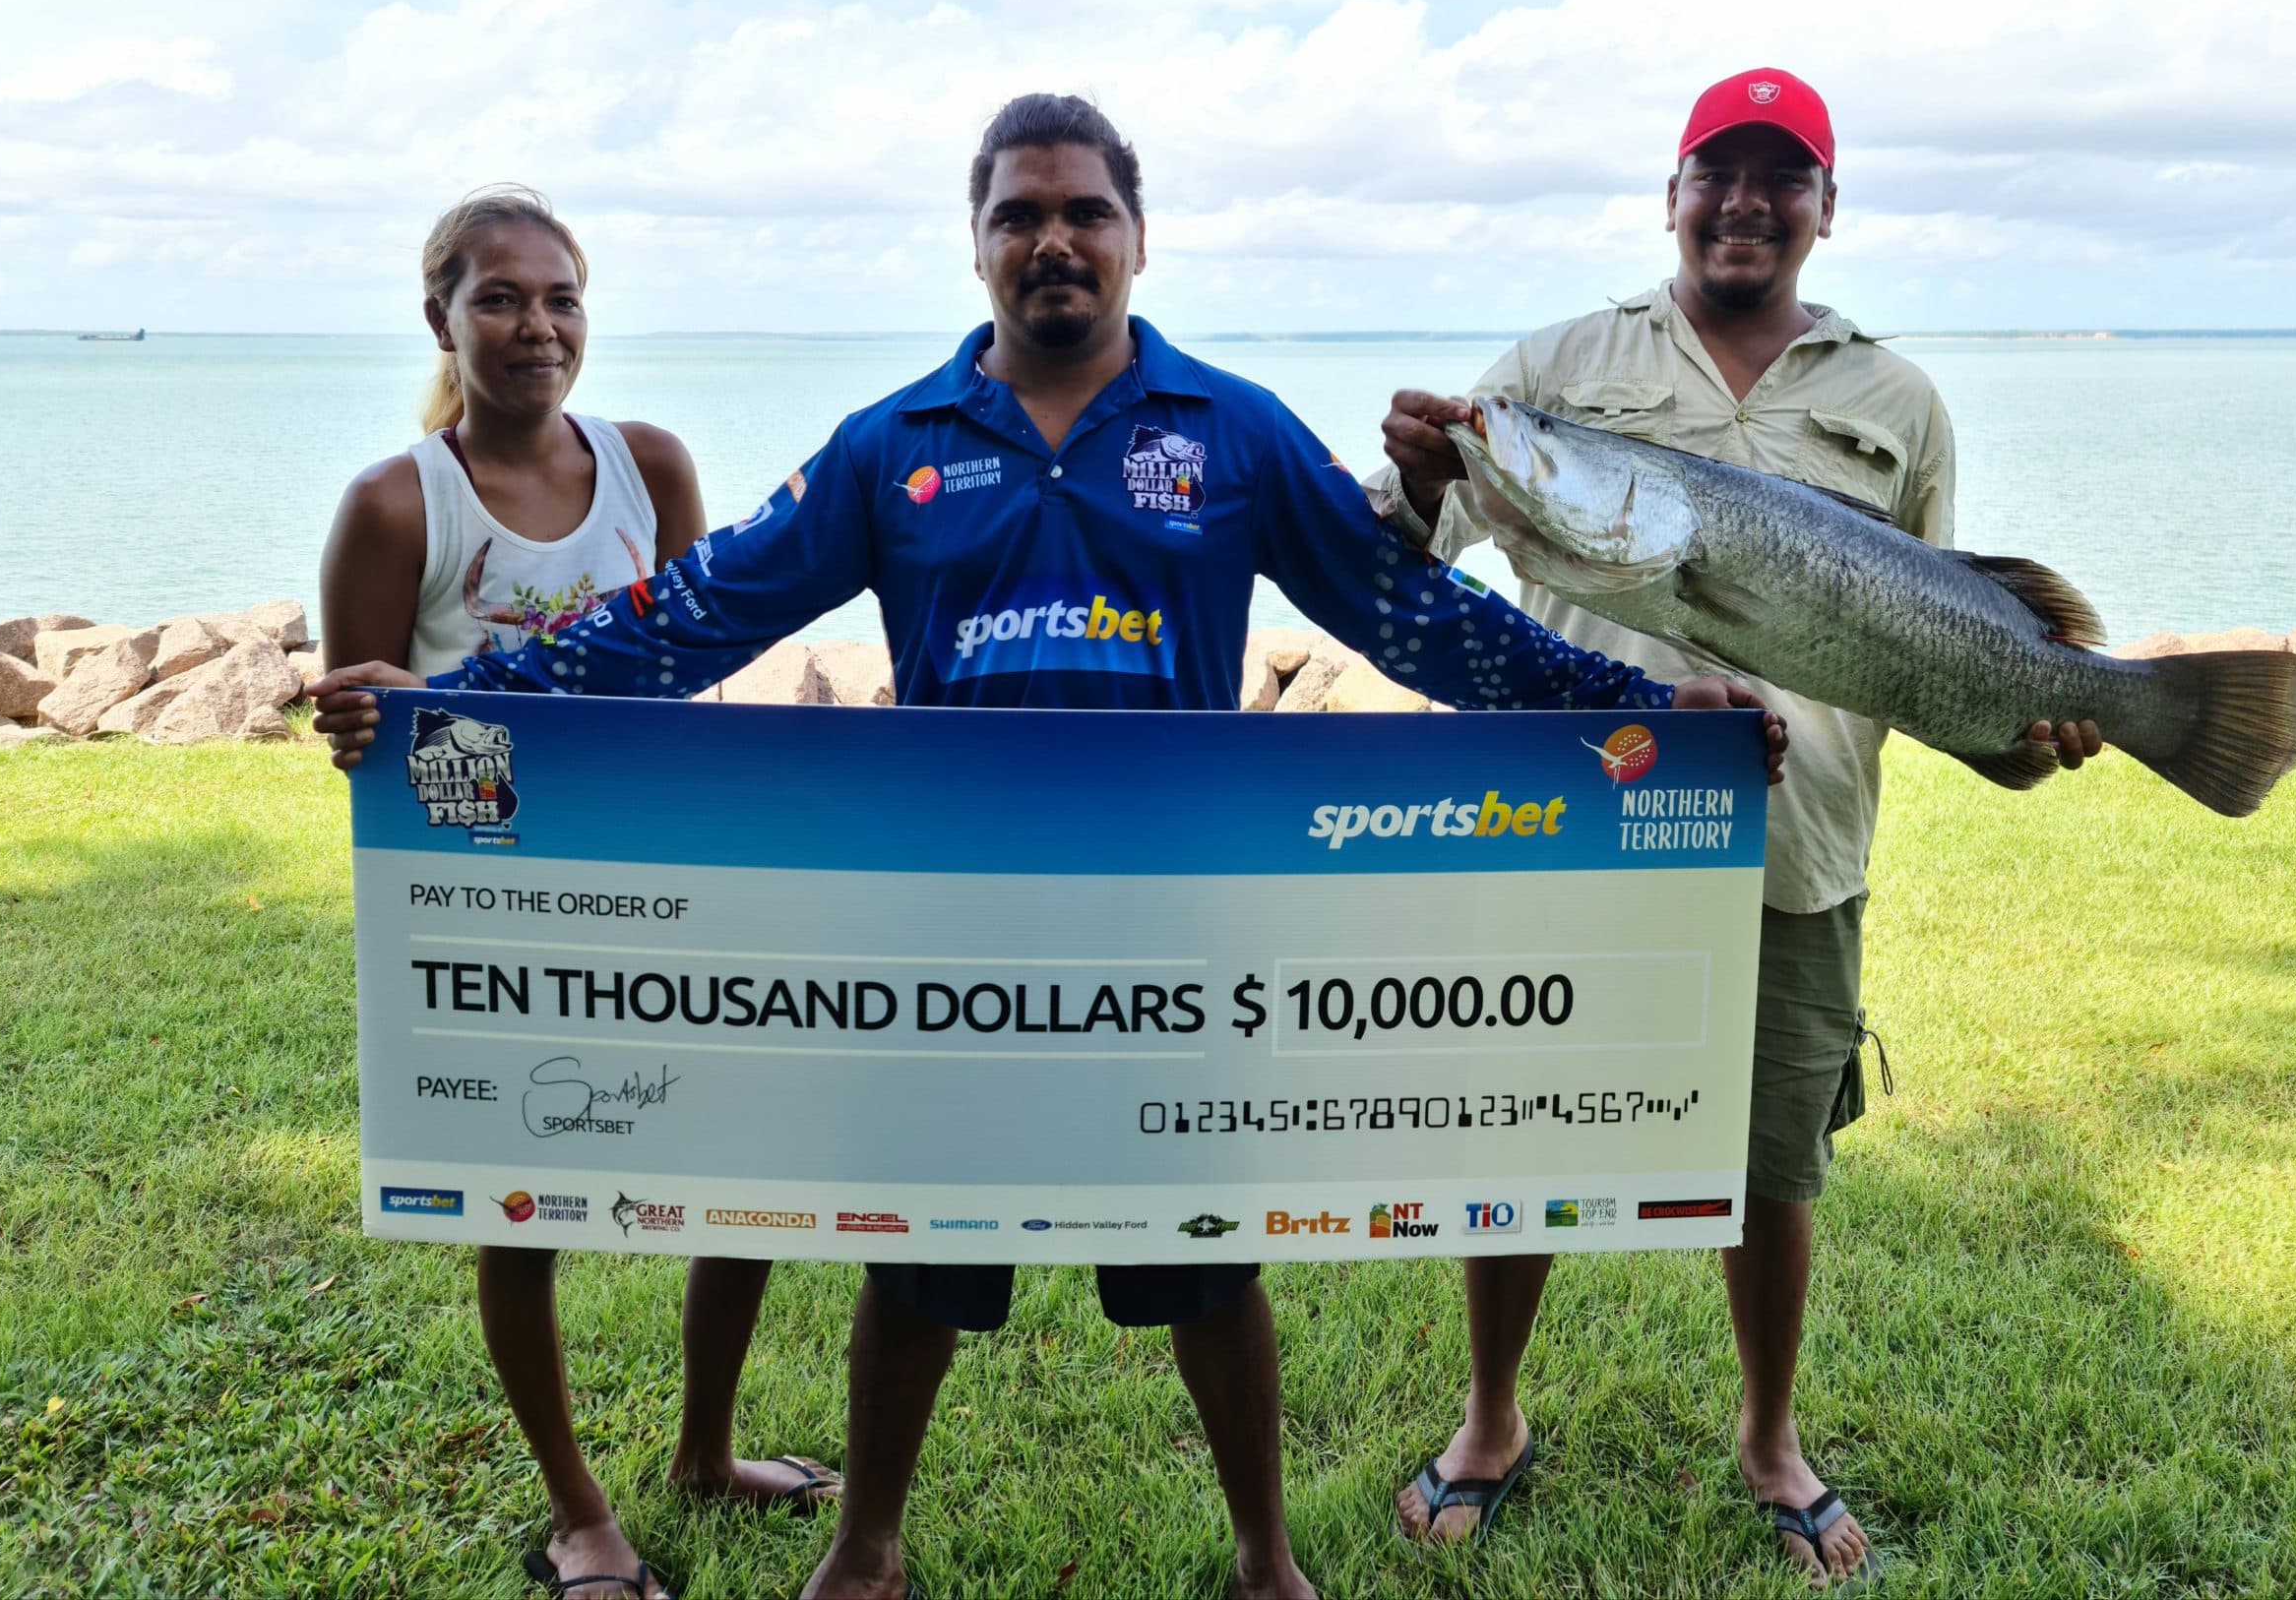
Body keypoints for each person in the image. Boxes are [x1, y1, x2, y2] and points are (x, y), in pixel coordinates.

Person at [316, 95, 1785, 1600]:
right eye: (1018, 215)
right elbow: (693, 618)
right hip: (950, 944)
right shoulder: (894, 446)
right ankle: (866, 1548)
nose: (1054, 240)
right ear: (977, 250)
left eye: (1085, 211)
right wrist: (454, 701)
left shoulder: (1229, 430)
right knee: (920, 1256)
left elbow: (1414, 618)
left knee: (1207, 1256)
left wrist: (1643, 710)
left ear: (1137, 239)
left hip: (1181, 943)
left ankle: (1266, 1560)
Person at [1368, 69, 2099, 1589]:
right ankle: (1490, 1416)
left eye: (1784, 178)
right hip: (1564, 824)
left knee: (1776, 1166)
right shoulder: (1559, 365)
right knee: (1523, 1130)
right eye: (1720, 171)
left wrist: (2033, 724)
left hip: (1800, 845)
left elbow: (1942, 630)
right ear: (1673, 190)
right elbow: (1401, 547)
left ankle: (1771, 1436)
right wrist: (1427, 477)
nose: (1747, 204)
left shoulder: (1896, 401)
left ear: (1826, 209)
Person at [317, 187, 838, 1600]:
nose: (536, 327)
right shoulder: (391, 503)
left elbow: (687, 670)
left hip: (661, 872)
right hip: (490, 905)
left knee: (740, 1181)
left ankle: (704, 1452)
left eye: (561, 300)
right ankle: (575, 1512)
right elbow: (384, 762)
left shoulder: (651, 466)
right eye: (500, 299)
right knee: (525, 1205)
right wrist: (387, 728)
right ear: (445, 319)